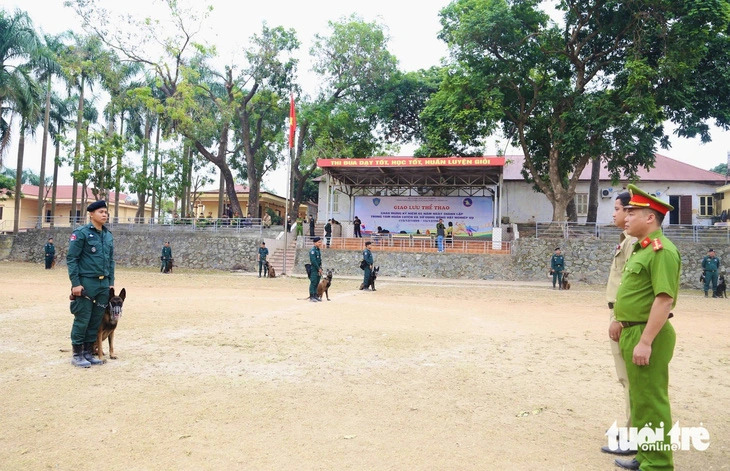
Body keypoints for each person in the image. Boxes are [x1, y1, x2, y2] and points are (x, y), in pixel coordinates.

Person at [613, 184, 680, 471]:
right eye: (625, 211)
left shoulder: (661, 251)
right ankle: (646, 454)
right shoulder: (641, 250)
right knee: (640, 400)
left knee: (652, 400)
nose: (626, 217)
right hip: (632, 331)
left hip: (646, 334)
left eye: (632, 212)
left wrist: (646, 341)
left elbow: (664, 300)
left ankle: (658, 464)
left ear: (650, 217)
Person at [602, 191, 636, 457]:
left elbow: (629, 285)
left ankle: (635, 435)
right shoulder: (626, 240)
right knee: (627, 380)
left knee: (631, 380)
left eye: (617, 208)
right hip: (620, 315)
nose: (614, 213)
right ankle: (631, 429)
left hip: (625, 318)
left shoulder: (634, 242)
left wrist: (619, 318)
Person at [66, 200, 115, 368]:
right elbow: (72, 259)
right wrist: (75, 284)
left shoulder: (108, 235)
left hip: (103, 285)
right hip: (86, 283)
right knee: (83, 318)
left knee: (96, 319)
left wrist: (110, 283)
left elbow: (111, 261)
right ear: (91, 214)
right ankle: (77, 353)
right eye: (101, 211)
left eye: (106, 212)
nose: (104, 214)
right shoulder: (81, 233)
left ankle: (88, 351)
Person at [308, 237, 323, 302]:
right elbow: (313, 261)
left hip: (318, 268)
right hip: (314, 269)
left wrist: (320, 268)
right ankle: (311, 296)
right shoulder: (313, 251)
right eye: (319, 242)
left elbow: (319, 260)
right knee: (313, 282)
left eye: (320, 242)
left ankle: (315, 295)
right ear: (315, 243)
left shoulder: (318, 250)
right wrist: (318, 268)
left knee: (317, 282)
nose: (320, 243)